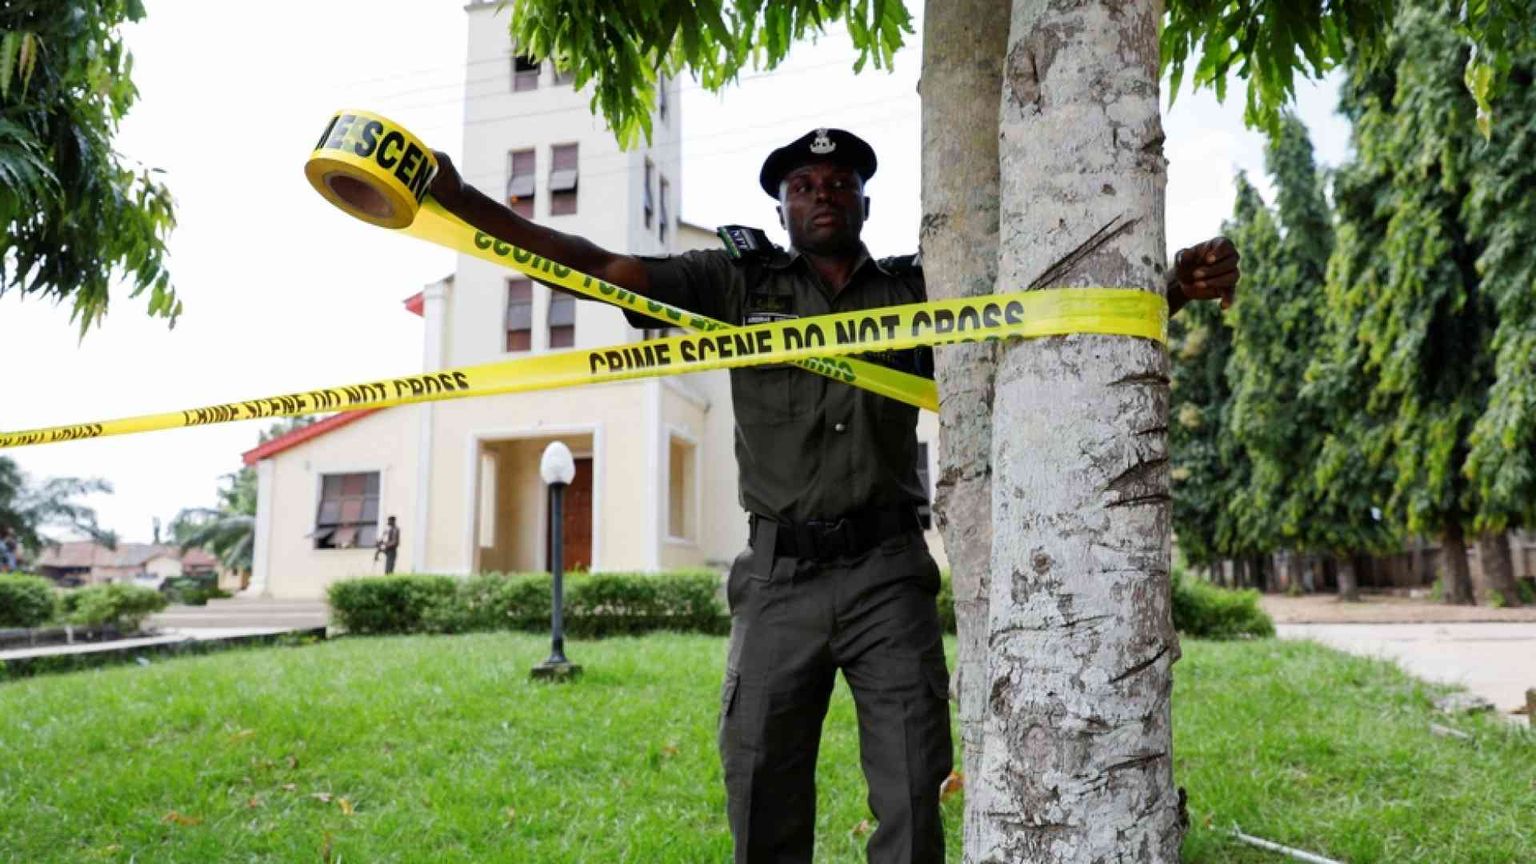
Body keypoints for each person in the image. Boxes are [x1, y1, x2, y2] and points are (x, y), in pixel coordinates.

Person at [428, 128, 1239, 864]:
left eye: (841, 182)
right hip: (777, 579)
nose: (823, 194)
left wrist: (1167, 289)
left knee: (915, 787)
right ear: (780, 209)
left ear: (866, 202)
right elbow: (607, 272)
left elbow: (1042, 321)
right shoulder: (735, 282)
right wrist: (462, 204)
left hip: (888, 574)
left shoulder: (917, 289)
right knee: (761, 785)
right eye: (804, 186)